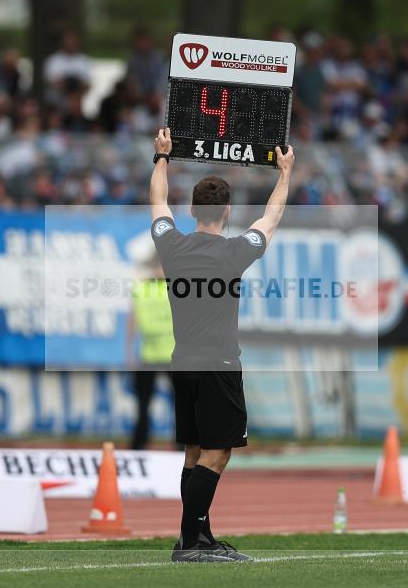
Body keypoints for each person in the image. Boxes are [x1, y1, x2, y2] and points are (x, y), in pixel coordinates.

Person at [150, 127, 294, 562]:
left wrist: (161, 158)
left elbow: (157, 202)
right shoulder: (234, 252)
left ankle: (197, 537)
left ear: (192, 208)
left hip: (183, 363)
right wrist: (284, 172)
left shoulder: (171, 244)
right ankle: (192, 544)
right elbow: (270, 218)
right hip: (220, 363)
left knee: (195, 452)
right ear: (227, 211)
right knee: (218, 453)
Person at [128, 253, 174, 450]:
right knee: (142, 404)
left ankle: (182, 446)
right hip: (148, 355)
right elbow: (133, 319)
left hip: (175, 355)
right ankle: (139, 446)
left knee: (182, 404)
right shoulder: (142, 289)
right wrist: (129, 351)